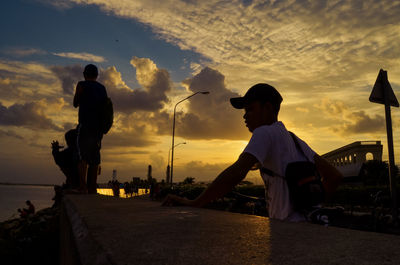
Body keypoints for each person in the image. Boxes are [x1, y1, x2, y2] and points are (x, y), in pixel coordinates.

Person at [163, 83, 342, 222]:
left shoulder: (263, 132)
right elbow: (334, 176)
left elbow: (236, 172)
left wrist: (194, 203)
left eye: (250, 109)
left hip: (286, 230)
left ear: (268, 108)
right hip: (309, 225)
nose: (244, 116)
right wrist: (312, 206)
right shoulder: (294, 139)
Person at [73, 64, 108, 194]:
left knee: (82, 157)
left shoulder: (81, 85)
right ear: (97, 75)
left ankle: (83, 187)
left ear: (84, 74)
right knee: (95, 157)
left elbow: (75, 103)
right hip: (98, 129)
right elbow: (105, 106)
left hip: (85, 125)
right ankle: (92, 188)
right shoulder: (102, 88)